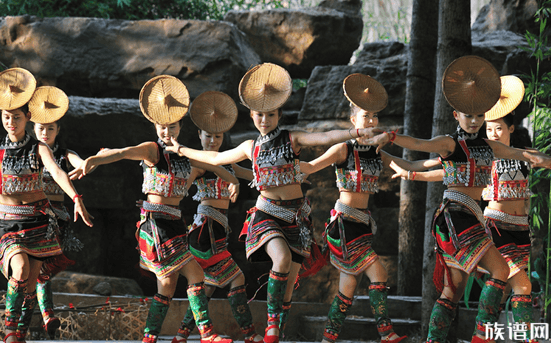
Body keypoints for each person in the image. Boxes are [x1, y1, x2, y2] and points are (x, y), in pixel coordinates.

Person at [165, 63, 381, 343]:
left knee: (289, 285)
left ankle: (276, 327)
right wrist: (181, 149)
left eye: (270, 114)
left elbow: (325, 137)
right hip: (266, 214)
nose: (264, 120)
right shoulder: (249, 147)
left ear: (279, 114)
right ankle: (270, 326)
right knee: (281, 258)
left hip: (298, 219)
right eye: (259, 115)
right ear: (252, 115)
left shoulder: (292, 139)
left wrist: (354, 134)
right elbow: (217, 159)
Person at [363, 56, 551, 343]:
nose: (475, 121)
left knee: (453, 290)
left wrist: (543, 159)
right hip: (454, 218)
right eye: (468, 116)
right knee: (500, 270)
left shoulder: (488, 147)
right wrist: (389, 137)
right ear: (455, 116)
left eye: (479, 116)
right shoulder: (451, 143)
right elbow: (419, 146)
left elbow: (523, 155)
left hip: (470, 219)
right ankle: (480, 338)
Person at [71, 76, 237, 343]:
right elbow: (124, 151)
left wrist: (234, 181)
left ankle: (149, 337)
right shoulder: (153, 150)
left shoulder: (186, 155)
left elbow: (217, 163)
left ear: (181, 126)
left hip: (174, 226)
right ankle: (207, 334)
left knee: (168, 286)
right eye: (162, 127)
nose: (166, 132)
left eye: (172, 126)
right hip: (156, 224)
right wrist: (96, 160)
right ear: (155, 126)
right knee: (195, 273)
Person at [300, 74, 439, 343]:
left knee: (348, 288)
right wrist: (287, 171)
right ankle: (386, 334)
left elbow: (409, 166)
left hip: (361, 226)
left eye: (375, 116)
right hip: (343, 225)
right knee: (379, 272)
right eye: (366, 116)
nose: (372, 122)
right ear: (354, 120)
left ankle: (327, 339)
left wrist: (443, 161)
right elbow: (312, 166)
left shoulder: (377, 152)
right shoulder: (342, 149)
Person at [0, 69, 93, 343]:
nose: (11, 122)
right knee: (21, 269)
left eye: (16, 117)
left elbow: (58, 171)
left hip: (38, 222)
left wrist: (76, 198)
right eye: (6, 117)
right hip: (7, 223)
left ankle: (21, 333)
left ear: (28, 117)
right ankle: (10, 331)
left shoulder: (40, 149)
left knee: (31, 282)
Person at [170, 91, 261, 343]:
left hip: (217, 233)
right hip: (204, 231)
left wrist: (291, 175)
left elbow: (251, 174)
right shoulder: (198, 164)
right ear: (199, 136)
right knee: (236, 278)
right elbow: (183, 187)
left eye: (217, 136)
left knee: (207, 286)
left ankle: (181, 334)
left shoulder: (229, 164)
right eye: (207, 136)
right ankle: (250, 335)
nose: (212, 140)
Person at [15, 86, 87, 341]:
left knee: (40, 271)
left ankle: (34, 322)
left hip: (56, 218)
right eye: (41, 128)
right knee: (36, 273)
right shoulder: (28, 151)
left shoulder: (63, 154)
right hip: (32, 216)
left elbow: (78, 162)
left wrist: (87, 164)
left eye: (51, 129)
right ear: (33, 127)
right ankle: (44, 316)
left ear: (59, 130)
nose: (45, 133)